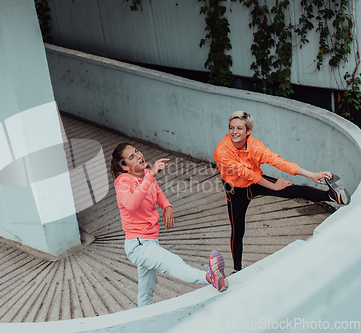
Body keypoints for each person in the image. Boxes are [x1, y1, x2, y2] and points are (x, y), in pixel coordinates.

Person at [213, 111, 350, 274]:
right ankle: (237, 270)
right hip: (236, 191)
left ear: (248, 131)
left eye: (239, 128)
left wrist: (310, 174)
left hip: (256, 181)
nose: (234, 132)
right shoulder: (222, 150)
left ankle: (331, 196)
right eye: (231, 128)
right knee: (237, 230)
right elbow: (246, 174)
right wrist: (273, 186)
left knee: (293, 190)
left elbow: (277, 161)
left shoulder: (255, 146)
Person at [111, 142, 228, 307]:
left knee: (147, 289)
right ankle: (210, 278)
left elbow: (156, 191)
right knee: (171, 262)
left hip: (150, 240)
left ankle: (143, 319)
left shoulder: (145, 174)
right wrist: (150, 175)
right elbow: (131, 203)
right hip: (138, 245)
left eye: (137, 151)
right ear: (124, 167)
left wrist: (167, 206)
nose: (138, 156)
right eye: (132, 157)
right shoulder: (122, 182)